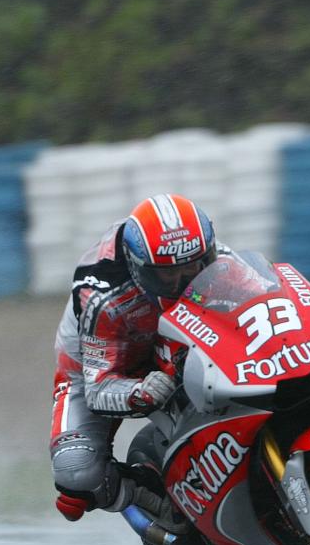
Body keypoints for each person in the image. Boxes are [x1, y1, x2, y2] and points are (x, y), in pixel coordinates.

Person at [49, 193, 222, 526]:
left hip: (174, 344)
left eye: (194, 268)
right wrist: (141, 392)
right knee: (76, 474)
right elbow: (98, 390)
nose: (184, 281)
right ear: (138, 267)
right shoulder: (103, 296)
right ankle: (146, 497)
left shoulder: (209, 255)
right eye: (168, 276)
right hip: (99, 369)